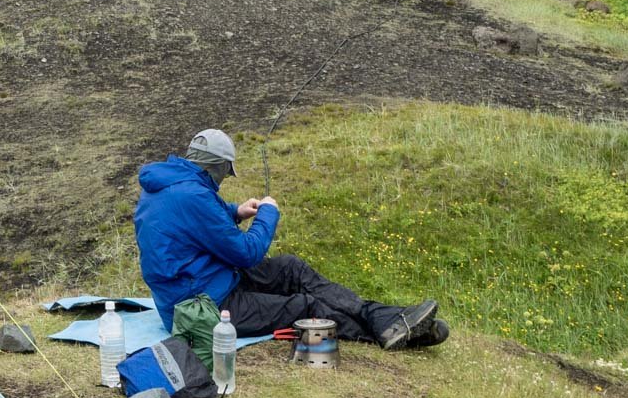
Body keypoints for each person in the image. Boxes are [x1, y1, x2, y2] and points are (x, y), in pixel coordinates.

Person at [133, 128, 447, 349]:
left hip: (207, 281)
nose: (223, 180)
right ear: (217, 166)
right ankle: (386, 333)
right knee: (303, 306)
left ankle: (382, 317)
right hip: (201, 307)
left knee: (290, 268)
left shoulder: (173, 184)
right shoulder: (193, 195)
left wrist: (236, 212)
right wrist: (268, 213)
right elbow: (247, 252)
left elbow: (194, 223)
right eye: (225, 173)